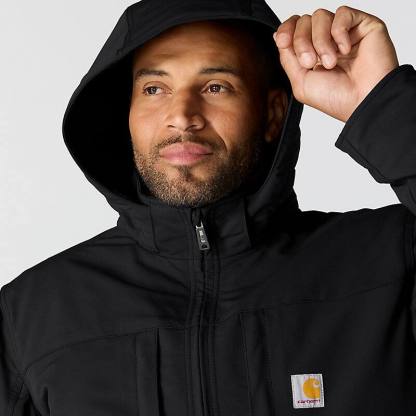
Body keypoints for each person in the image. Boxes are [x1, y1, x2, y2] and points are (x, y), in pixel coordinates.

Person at [1, 0, 416, 414]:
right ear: (126, 115)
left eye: (216, 86)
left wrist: (382, 103)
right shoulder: (33, 313)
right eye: (154, 89)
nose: (182, 116)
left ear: (274, 114)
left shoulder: (392, 263)